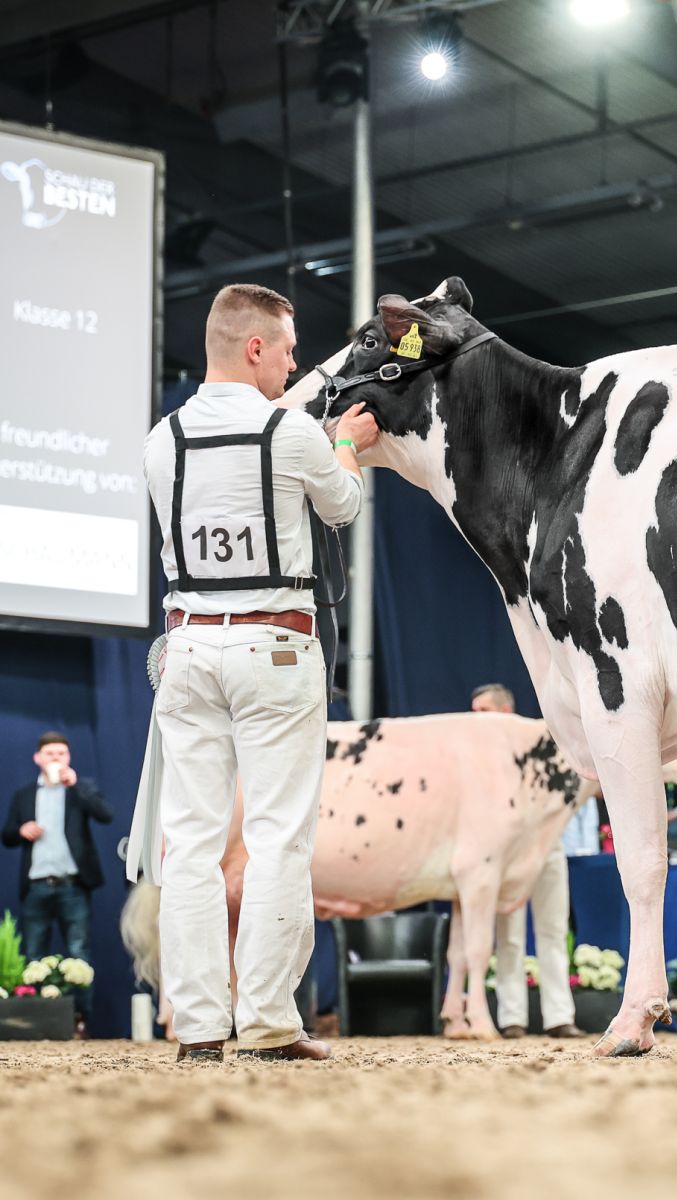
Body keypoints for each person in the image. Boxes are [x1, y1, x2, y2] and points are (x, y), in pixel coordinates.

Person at [141, 283, 378, 1063]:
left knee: (191, 842)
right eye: (286, 349)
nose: (293, 364)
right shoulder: (290, 431)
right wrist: (347, 443)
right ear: (254, 349)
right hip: (274, 645)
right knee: (277, 837)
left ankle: (198, 1028)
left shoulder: (162, 439)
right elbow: (342, 506)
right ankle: (271, 1022)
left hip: (187, 646)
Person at [473, 683, 580, 1039]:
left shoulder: (539, 742)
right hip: (506, 852)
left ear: (505, 711)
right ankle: (512, 1018)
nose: (476, 718)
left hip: (547, 845)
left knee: (553, 930)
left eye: (483, 710)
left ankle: (560, 1017)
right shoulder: (478, 760)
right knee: (509, 935)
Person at [2, 732, 112, 1036]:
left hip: (72, 885)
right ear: (38, 758)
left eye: (61, 753)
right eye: (50, 753)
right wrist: (21, 829)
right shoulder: (24, 795)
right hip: (36, 885)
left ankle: (80, 1021)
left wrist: (76, 785)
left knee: (79, 953)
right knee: (34, 954)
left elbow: (106, 815)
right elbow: (7, 834)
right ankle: (34, 1022)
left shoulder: (80, 790)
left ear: (69, 757)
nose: (56, 758)